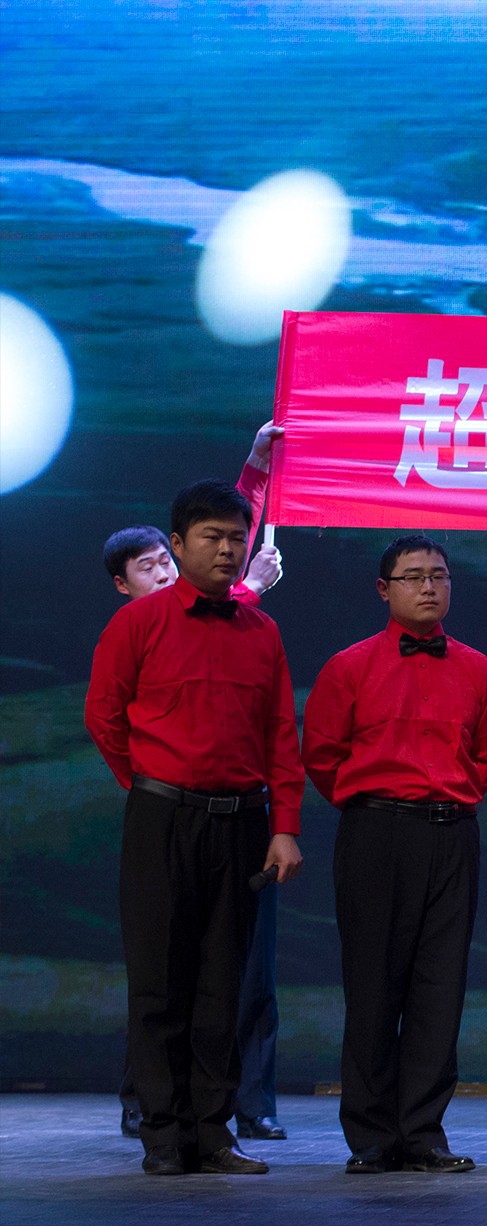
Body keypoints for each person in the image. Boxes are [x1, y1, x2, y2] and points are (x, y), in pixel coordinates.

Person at [86, 479, 305, 1176]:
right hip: (162, 819)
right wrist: (149, 782)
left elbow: (280, 734)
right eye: (212, 537)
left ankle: (213, 1132)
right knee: (159, 982)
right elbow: (104, 714)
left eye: (237, 538)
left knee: (223, 983)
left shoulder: (262, 632)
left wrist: (285, 825)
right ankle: (163, 1135)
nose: (228, 549)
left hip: (242, 822)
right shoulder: (139, 623)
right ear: (178, 545)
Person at [303, 536, 487, 1175]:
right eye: (413, 576)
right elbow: (322, 756)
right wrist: (375, 804)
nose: (428, 587)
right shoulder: (349, 667)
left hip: (451, 834)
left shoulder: (479, 668)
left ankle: (423, 1132)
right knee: (373, 985)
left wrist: (449, 797)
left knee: (439, 987)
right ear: (383, 588)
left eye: (439, 576)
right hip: (376, 833)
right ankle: (370, 1136)